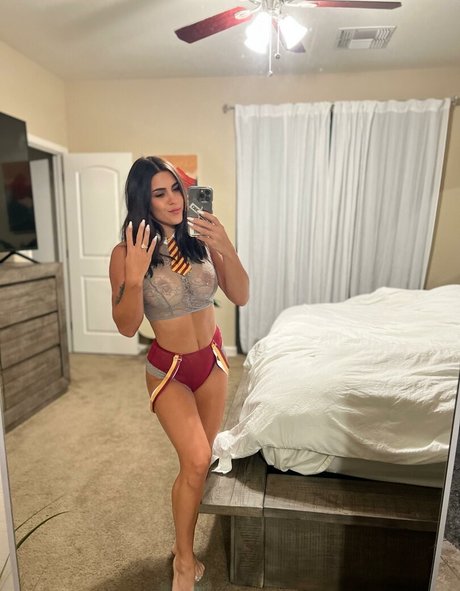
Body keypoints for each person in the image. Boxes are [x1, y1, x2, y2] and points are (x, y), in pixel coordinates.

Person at [109, 156, 249, 591]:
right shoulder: (126, 253)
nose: (174, 200)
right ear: (143, 200)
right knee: (196, 459)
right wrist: (135, 279)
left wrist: (225, 245)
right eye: (160, 193)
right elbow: (128, 327)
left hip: (212, 361)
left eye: (176, 189)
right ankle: (184, 563)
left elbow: (241, 294)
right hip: (169, 369)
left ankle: (180, 545)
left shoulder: (200, 237)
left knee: (198, 464)